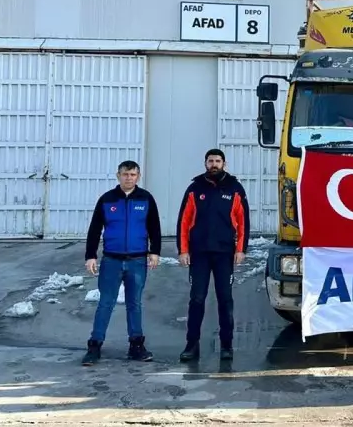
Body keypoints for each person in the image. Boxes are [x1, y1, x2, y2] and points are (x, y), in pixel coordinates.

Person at [82, 160, 161, 366]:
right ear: (118, 176)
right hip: (112, 260)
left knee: (134, 303)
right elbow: (94, 229)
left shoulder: (146, 199)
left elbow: (154, 227)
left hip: (137, 260)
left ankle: (136, 345)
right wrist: (91, 255)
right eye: (125, 174)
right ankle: (94, 345)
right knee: (105, 303)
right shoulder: (107, 200)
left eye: (133, 174)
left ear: (139, 176)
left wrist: (155, 252)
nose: (129, 178)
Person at [176, 148, 250, 362]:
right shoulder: (194, 188)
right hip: (199, 254)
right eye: (210, 161)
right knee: (197, 299)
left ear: (224, 164)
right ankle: (192, 345)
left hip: (224, 254)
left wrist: (241, 249)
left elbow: (243, 221)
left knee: (225, 299)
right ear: (205, 163)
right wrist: (183, 250)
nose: (214, 164)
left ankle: (227, 345)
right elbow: (184, 221)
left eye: (218, 161)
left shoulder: (235, 189)